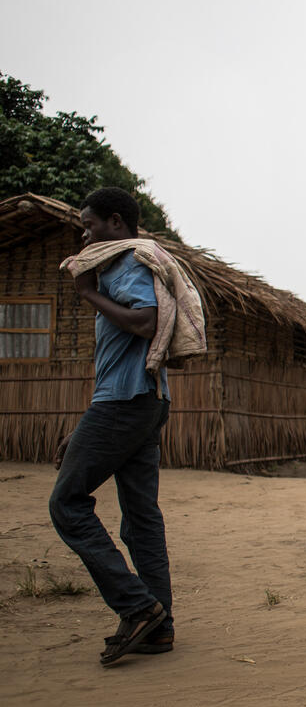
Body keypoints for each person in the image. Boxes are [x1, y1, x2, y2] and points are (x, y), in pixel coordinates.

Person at [50, 187, 173, 665]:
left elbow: (145, 322)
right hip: (141, 401)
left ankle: (138, 606)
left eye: (90, 224)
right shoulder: (126, 265)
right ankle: (159, 630)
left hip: (125, 404)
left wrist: (89, 294)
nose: (85, 232)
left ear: (116, 223)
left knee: (65, 503)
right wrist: (83, 425)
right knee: (141, 517)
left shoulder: (127, 266)